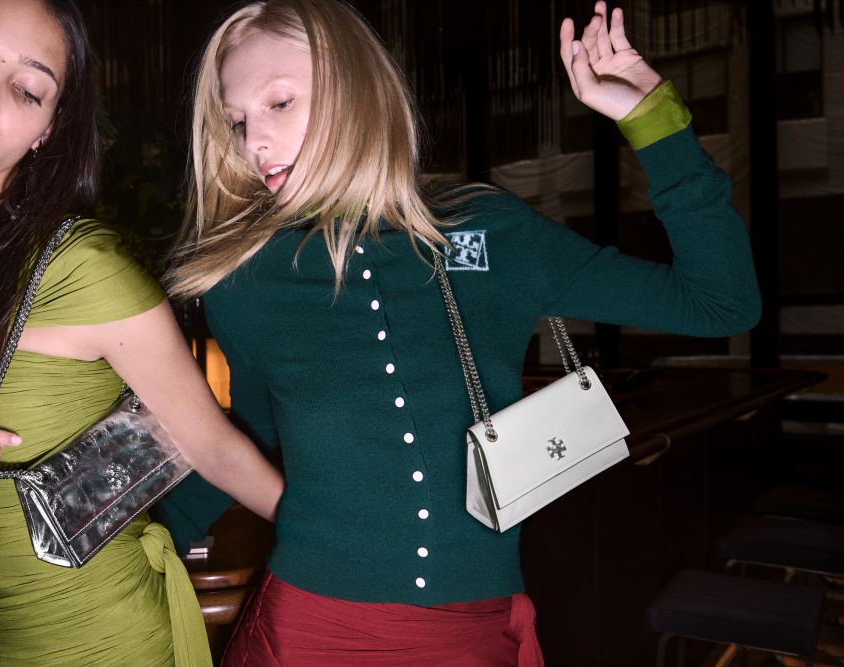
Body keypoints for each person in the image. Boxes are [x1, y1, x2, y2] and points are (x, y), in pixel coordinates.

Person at [158, 0, 762, 663]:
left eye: (279, 103)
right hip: (311, 630)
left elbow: (721, 303)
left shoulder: (486, 230)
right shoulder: (243, 279)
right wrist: (141, 537)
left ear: (356, 89)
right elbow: (250, 435)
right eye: (237, 120)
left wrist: (653, 120)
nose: (254, 141)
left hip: (476, 635)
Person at [0, 0, 283, 664]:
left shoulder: (82, 268)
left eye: (28, 89)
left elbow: (217, 451)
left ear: (47, 129)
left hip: (103, 638)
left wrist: (364, 572)